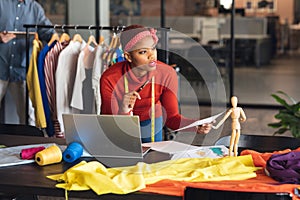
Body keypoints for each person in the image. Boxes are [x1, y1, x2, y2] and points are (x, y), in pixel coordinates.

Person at [100, 25, 212, 143]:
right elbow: (109, 125)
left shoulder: (167, 73)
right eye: (143, 52)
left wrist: (195, 125)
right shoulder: (110, 78)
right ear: (128, 56)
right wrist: (123, 111)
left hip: (152, 120)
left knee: (153, 158)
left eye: (153, 48)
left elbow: (172, 118)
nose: (152, 56)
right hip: (121, 123)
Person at [0, 0, 55, 124]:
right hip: (0, 67)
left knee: (28, 118)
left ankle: (28, 143)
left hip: (21, 71)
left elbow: (48, 33)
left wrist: (60, 40)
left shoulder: (35, 9)